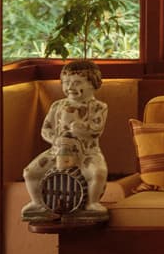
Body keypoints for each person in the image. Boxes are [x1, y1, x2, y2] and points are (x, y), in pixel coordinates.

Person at [22, 59, 109, 222]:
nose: (70, 87)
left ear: (93, 84)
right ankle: (38, 203)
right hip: (58, 150)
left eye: (77, 83)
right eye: (66, 82)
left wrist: (82, 128)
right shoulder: (57, 106)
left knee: (98, 173)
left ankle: (92, 203)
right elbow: (46, 129)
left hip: (86, 151)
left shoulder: (98, 107)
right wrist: (54, 139)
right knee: (30, 172)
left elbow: (97, 129)